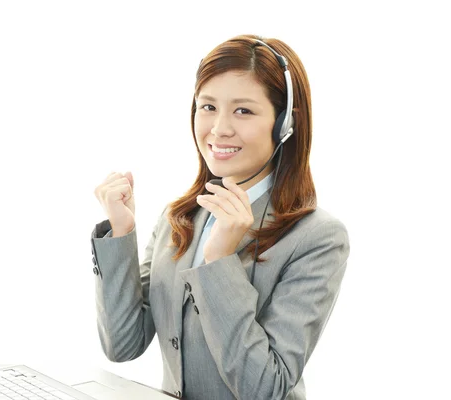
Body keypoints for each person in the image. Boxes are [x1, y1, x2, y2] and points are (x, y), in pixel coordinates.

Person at [90, 34, 350, 400]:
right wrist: (122, 231)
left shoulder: (317, 238)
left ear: (284, 125)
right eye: (207, 106)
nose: (219, 128)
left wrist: (221, 262)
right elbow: (123, 345)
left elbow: (265, 388)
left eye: (243, 110)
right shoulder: (178, 217)